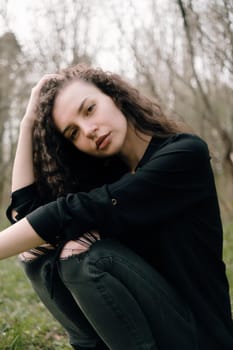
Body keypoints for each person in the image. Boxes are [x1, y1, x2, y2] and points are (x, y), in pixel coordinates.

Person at [0, 63, 233, 350]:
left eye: (89, 109)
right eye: (73, 133)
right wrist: (28, 122)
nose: (88, 130)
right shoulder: (108, 176)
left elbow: (68, 213)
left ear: (115, 97)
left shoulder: (183, 155)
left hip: (199, 335)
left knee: (87, 257)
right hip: (143, 325)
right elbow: (27, 215)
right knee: (36, 254)